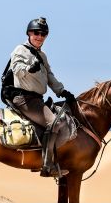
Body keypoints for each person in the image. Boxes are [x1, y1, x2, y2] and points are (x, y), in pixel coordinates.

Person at [5, 17, 75, 177]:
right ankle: (47, 166)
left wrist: (61, 91)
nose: (39, 36)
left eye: (43, 34)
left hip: (36, 99)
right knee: (55, 123)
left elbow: (49, 75)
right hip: (24, 98)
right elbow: (17, 70)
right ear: (29, 33)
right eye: (36, 32)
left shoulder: (42, 55)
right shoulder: (20, 50)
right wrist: (30, 67)